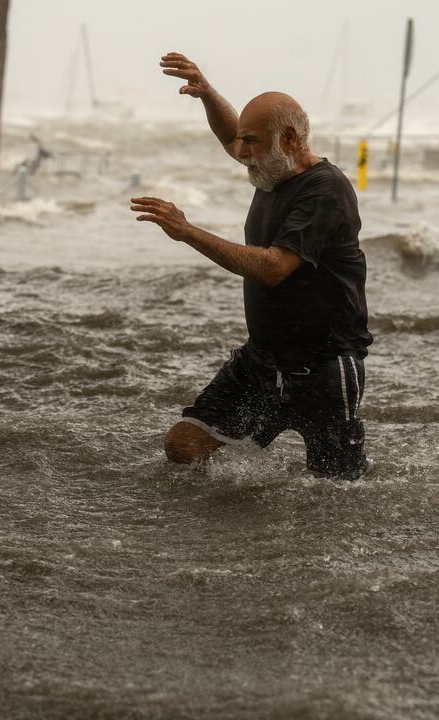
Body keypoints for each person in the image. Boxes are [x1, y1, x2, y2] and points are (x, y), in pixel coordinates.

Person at [129, 52, 372, 478]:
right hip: (261, 362)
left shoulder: (325, 191)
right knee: (184, 445)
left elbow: (274, 267)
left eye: (253, 142)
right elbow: (230, 136)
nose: (242, 152)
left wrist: (187, 231)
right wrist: (207, 93)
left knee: (337, 489)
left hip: (324, 368)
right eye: (243, 142)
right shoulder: (271, 168)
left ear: (290, 139)